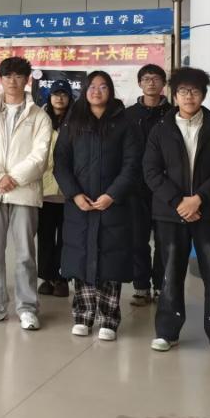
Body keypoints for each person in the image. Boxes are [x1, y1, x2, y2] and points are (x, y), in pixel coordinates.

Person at [144, 67, 210, 362]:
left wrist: (198, 200)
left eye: (195, 91)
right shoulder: (160, 130)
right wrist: (179, 202)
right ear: (174, 95)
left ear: (203, 95)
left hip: (209, 213)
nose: (189, 96)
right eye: (183, 91)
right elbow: (151, 171)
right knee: (170, 275)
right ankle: (167, 332)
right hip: (171, 214)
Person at [54, 70, 141, 340]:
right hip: (80, 204)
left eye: (103, 87)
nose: (97, 91)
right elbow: (61, 162)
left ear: (110, 91)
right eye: (92, 86)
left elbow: (132, 164)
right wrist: (74, 194)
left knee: (110, 259)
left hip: (112, 203)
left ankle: (108, 319)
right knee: (81, 256)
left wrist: (112, 195)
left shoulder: (125, 122)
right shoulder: (73, 121)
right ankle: (83, 315)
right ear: (85, 90)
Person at [0, 57, 52, 331]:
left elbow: (40, 155)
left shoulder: (39, 116)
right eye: (7, 76)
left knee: (25, 253)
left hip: (24, 191)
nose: (13, 81)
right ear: (1, 79)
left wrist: (13, 178)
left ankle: (27, 308)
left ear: (27, 79)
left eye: (18, 76)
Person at [125, 63, 171, 306]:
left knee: (165, 240)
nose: (151, 82)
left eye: (156, 78)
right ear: (139, 83)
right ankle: (141, 286)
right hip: (136, 187)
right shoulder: (128, 115)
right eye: (146, 78)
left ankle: (162, 286)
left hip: (166, 187)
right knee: (137, 239)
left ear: (164, 83)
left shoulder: (174, 114)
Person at [38, 79, 73, 298]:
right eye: (55, 94)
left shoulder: (77, 120)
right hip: (44, 189)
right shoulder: (40, 119)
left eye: (64, 94)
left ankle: (61, 278)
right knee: (45, 236)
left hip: (68, 191)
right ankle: (45, 277)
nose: (59, 98)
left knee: (66, 238)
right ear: (49, 97)